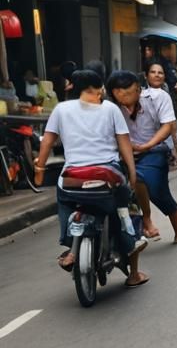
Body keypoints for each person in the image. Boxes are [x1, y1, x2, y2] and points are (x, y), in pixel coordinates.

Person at [35, 69, 147, 287]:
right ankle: (129, 243)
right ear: (96, 89)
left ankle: (69, 243)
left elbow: (46, 142)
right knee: (124, 204)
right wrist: (131, 173)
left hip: (72, 177)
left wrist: (39, 169)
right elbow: (124, 143)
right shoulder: (111, 109)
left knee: (64, 198)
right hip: (107, 174)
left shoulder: (61, 109)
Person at [108, 68, 177, 246]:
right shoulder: (110, 107)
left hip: (155, 150)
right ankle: (141, 222)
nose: (124, 99)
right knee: (126, 186)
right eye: (119, 94)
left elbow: (167, 125)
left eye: (128, 93)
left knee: (158, 190)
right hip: (124, 152)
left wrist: (146, 146)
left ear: (138, 89)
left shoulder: (158, 97)